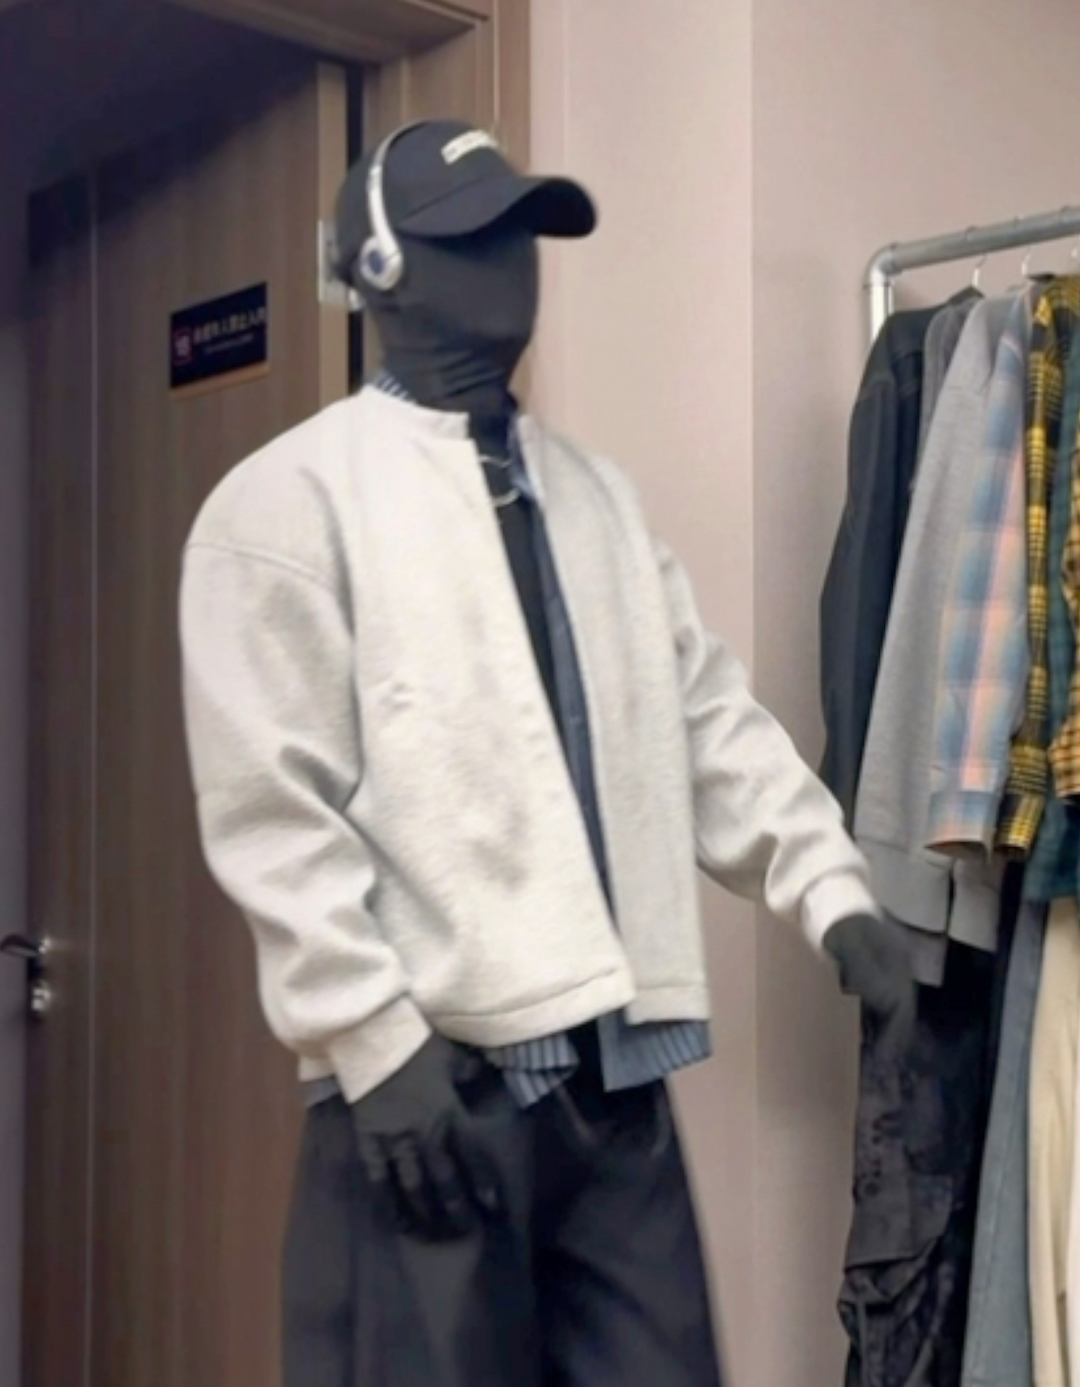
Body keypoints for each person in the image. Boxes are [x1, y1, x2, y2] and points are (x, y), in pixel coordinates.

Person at [179, 119, 913, 1387]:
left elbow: (704, 720)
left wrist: (830, 891)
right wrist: (371, 1041)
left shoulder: (595, 498)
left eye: (523, 237)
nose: (512, 270)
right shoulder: (285, 504)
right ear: (379, 266)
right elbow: (271, 811)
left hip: (614, 1089)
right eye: (475, 240)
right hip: (431, 1090)